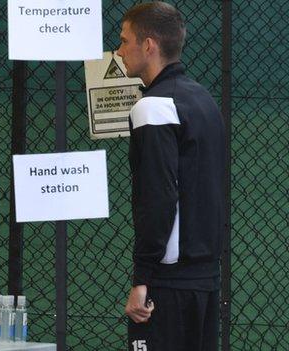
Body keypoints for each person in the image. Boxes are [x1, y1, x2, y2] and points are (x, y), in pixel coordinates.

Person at [117, 2, 226, 351]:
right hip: (205, 282)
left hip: (168, 286)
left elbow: (158, 198)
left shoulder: (152, 108)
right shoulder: (203, 100)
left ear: (148, 45)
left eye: (124, 41)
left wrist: (142, 280)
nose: (118, 51)